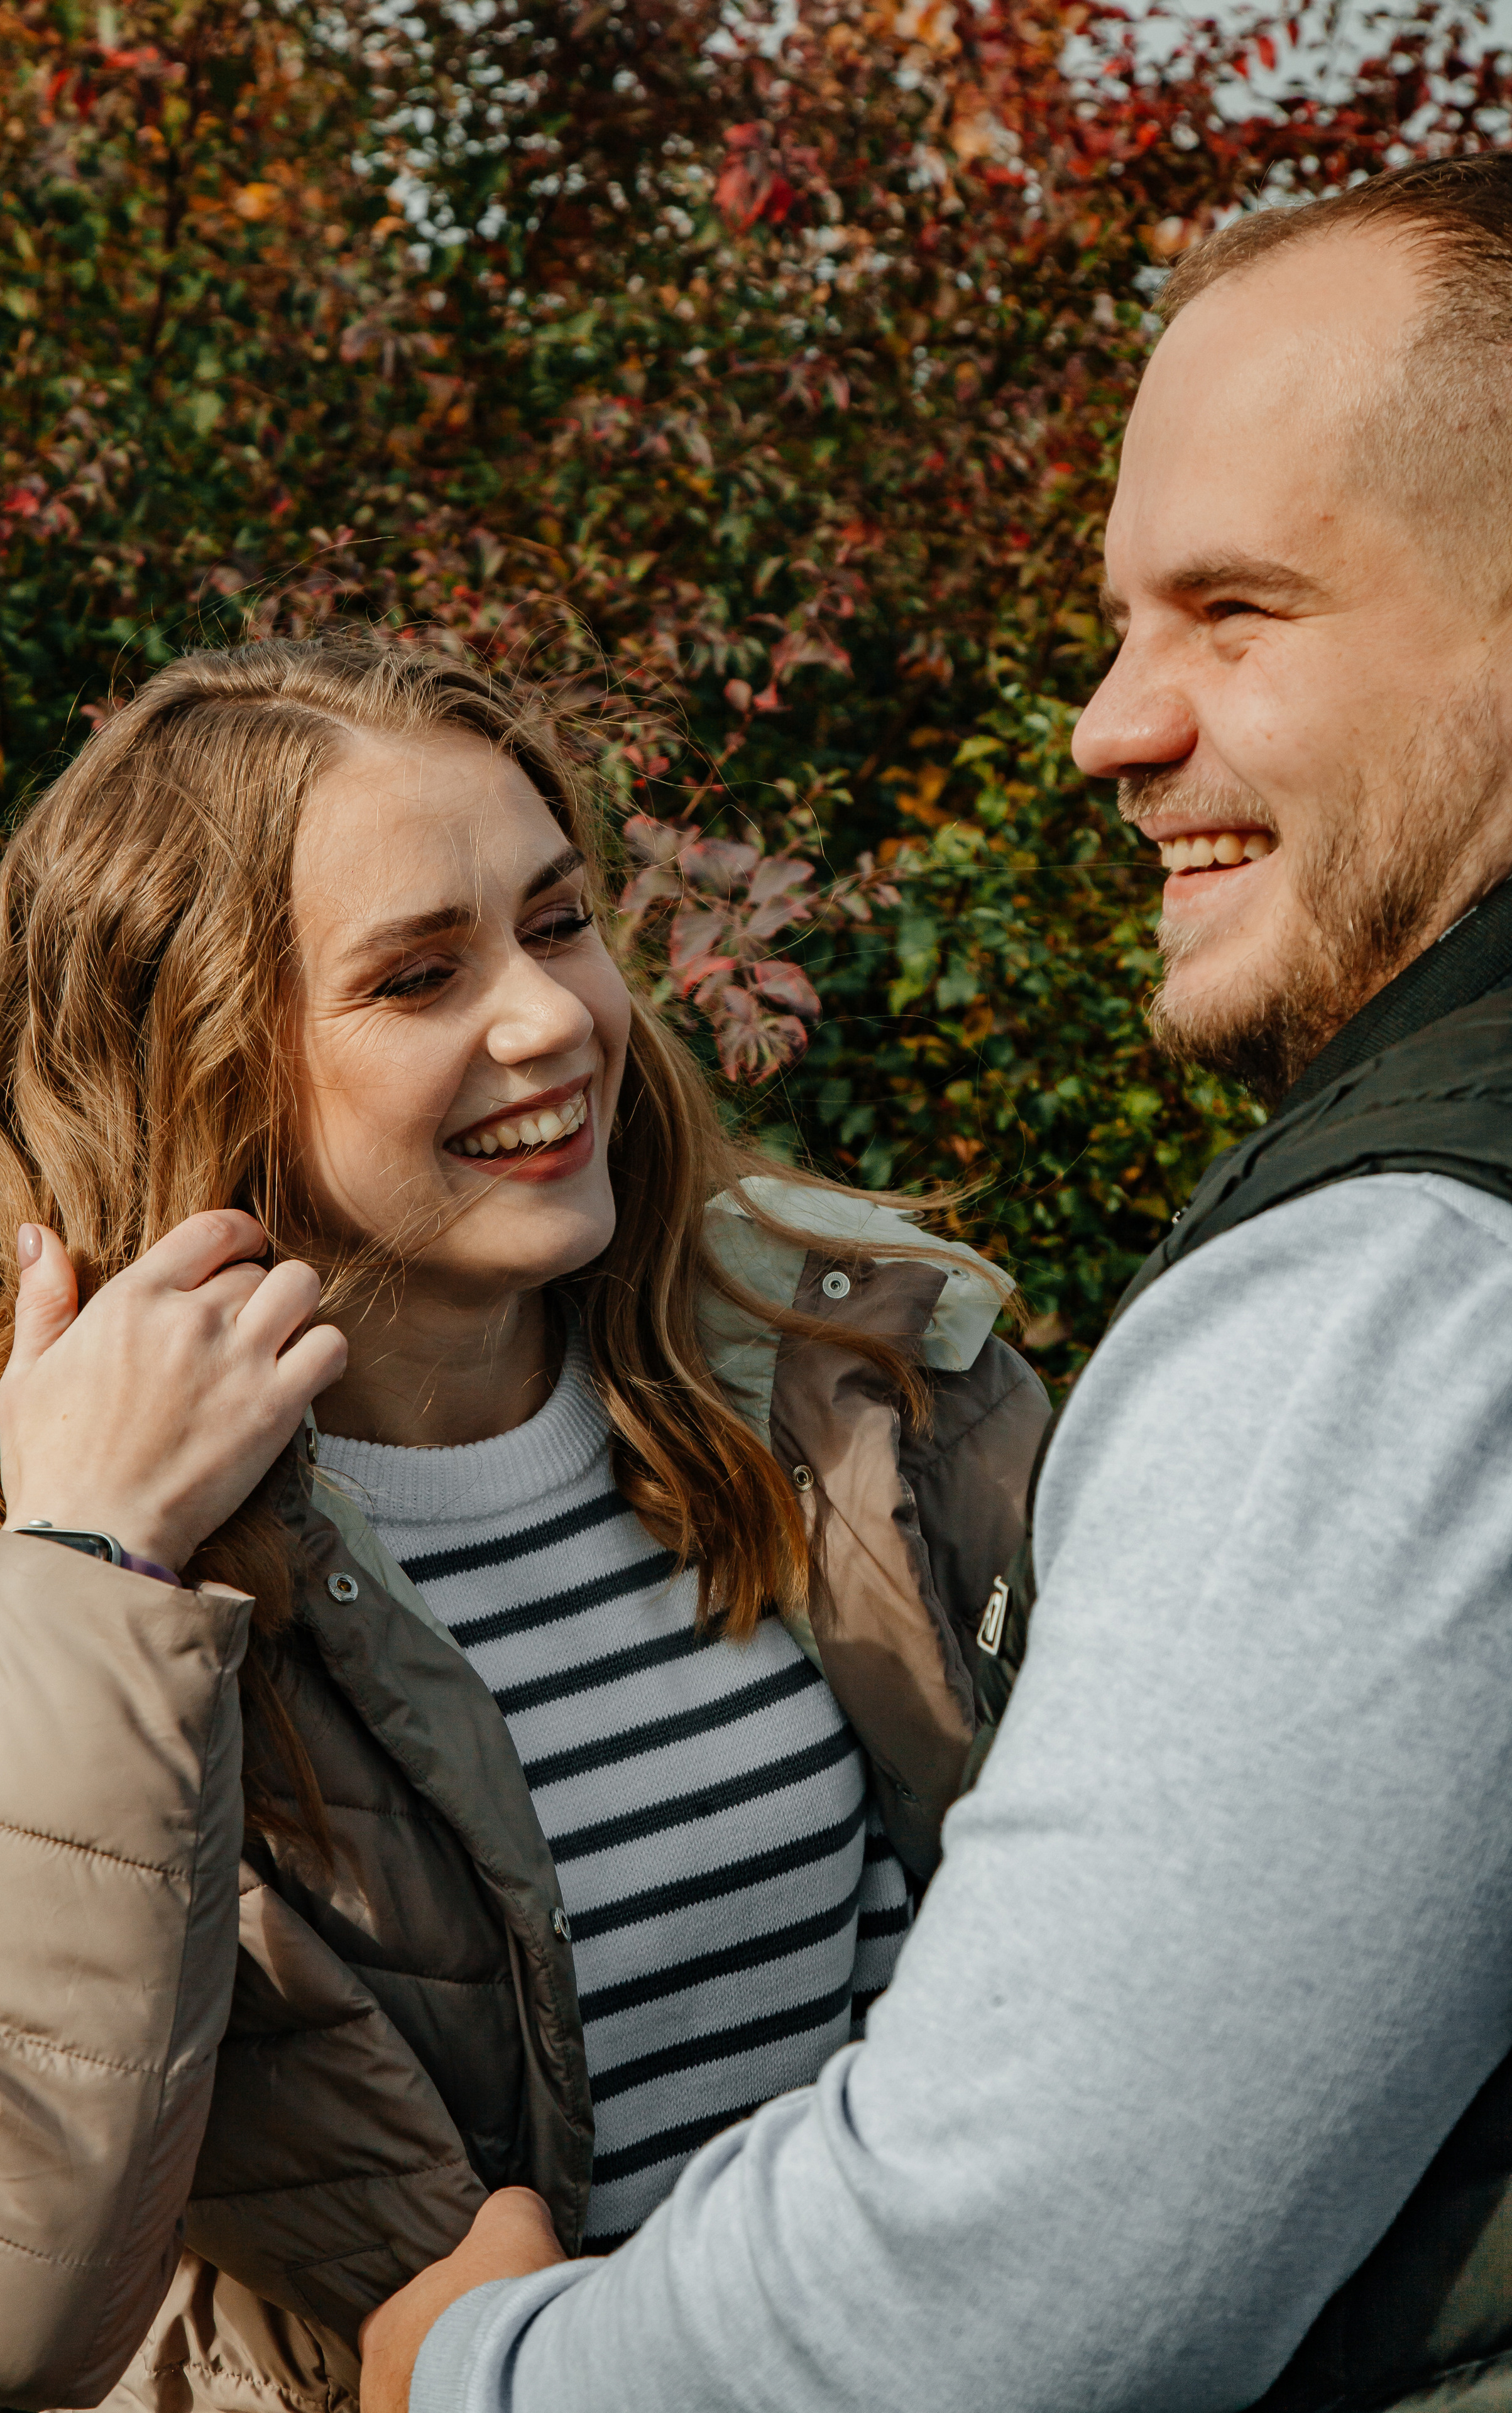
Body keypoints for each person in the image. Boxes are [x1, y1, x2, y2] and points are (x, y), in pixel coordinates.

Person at [358, 153, 1512, 2413]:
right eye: (410, 970)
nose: (1107, 722)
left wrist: (487, 2383)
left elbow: (1003, 2302)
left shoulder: (1388, 1303)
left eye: (1236, 611)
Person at [0, 638, 1046, 2412]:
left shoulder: (856, 1380)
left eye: (562, 923)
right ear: (198, 1055)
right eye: (421, 974)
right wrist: (99, 1570)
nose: (553, 1019)